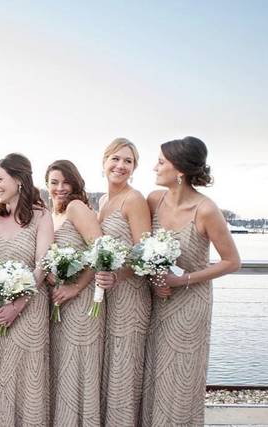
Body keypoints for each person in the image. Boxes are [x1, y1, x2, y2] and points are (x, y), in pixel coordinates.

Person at [140, 137, 240, 426]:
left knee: (182, 379)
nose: (154, 167)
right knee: (154, 376)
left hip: (189, 308)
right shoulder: (153, 200)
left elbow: (232, 261)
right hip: (156, 302)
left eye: (160, 162)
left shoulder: (206, 209)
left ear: (179, 169)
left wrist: (183, 279)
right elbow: (142, 247)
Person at [0, 153, 53, 427]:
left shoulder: (41, 216)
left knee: (28, 379)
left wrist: (18, 304)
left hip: (30, 310)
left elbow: (43, 264)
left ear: (19, 180)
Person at [96, 138, 151, 426]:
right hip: (106, 294)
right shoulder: (103, 201)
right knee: (108, 366)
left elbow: (144, 255)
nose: (120, 166)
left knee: (124, 368)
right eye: (115, 159)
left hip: (130, 294)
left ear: (134, 168)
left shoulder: (135, 199)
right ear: (104, 161)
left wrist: (118, 275)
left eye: (128, 161)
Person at [45, 160, 103, 427]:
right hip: (58, 302)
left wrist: (75, 287)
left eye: (66, 182)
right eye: (54, 182)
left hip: (80, 302)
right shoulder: (52, 214)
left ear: (75, 182)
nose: (60, 188)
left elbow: (100, 253)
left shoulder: (76, 208)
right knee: (62, 368)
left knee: (78, 367)